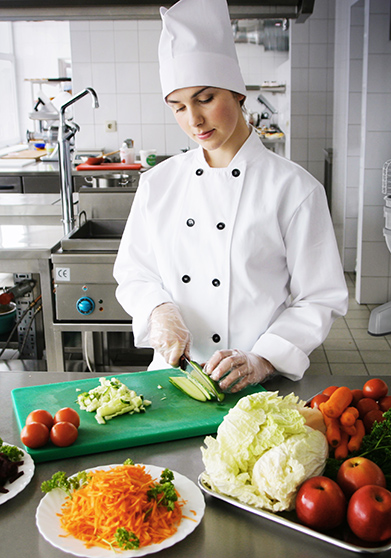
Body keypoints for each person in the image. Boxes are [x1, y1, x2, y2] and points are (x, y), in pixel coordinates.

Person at [113, 0, 348, 393]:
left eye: (205, 99)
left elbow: (320, 297)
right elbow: (134, 271)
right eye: (179, 107)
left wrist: (263, 358)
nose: (194, 120)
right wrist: (159, 309)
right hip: (170, 381)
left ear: (238, 95)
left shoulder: (295, 188)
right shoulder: (159, 183)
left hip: (258, 385)